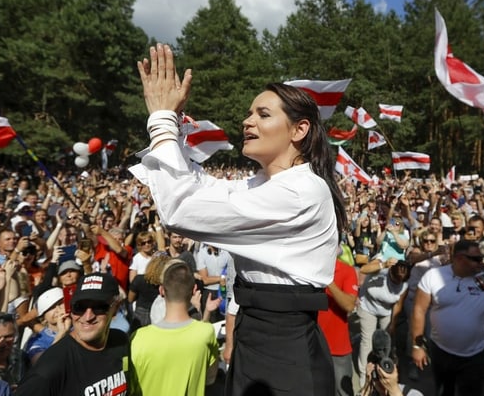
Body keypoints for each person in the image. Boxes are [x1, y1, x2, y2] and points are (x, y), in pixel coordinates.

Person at [130, 43, 347, 396]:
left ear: (299, 130)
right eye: (250, 113)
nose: (247, 121)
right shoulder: (261, 185)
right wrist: (176, 127)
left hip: (284, 351)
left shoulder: (302, 191)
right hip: (254, 336)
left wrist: (161, 120)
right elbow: (200, 189)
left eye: (263, 114)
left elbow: (181, 209)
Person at [15, 272, 129, 396]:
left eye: (99, 307)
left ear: (116, 308)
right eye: (79, 307)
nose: (88, 316)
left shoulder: (120, 341)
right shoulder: (50, 369)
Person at [411, 240, 484, 396]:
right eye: (476, 259)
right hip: (440, 351)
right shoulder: (434, 276)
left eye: (482, 258)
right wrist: (417, 346)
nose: (481, 263)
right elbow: (419, 309)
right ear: (459, 258)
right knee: (444, 392)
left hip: (474, 355)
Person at [129, 259, 219, 395]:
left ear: (161, 290)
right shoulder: (205, 332)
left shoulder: (137, 338)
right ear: (194, 289)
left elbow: (131, 388)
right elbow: (210, 379)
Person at [356, 260, 410, 386]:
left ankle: (386, 371)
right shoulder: (381, 271)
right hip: (367, 307)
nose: (396, 284)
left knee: (388, 342)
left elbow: (398, 304)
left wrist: (392, 324)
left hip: (386, 311)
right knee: (367, 342)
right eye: (394, 281)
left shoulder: (405, 285)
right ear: (390, 272)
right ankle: (364, 376)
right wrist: (383, 265)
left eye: (399, 282)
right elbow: (363, 269)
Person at [318, 255, 359, 396]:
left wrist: (329, 281)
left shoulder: (347, 270)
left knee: (343, 391)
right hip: (311, 343)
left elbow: (349, 305)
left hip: (337, 347)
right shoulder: (307, 268)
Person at [23, 287, 70, 365]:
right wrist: (61, 334)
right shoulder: (38, 341)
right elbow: (40, 364)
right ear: (43, 317)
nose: (58, 309)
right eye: (51, 308)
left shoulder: (80, 326)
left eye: (61, 303)